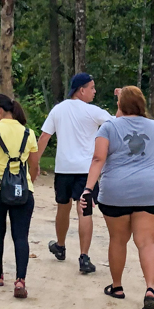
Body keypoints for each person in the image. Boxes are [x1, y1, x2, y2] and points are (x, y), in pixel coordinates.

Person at [79, 86, 154, 309]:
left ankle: (117, 287)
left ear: (120, 105)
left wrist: (88, 189)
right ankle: (150, 289)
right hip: (153, 190)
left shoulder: (109, 127)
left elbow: (98, 158)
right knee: (147, 242)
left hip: (116, 191)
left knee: (118, 239)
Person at [38, 72, 113, 275]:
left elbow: (45, 136)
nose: (94, 91)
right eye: (92, 88)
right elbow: (116, 125)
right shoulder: (93, 112)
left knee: (63, 207)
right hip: (86, 170)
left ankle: (61, 246)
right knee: (84, 211)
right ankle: (84, 256)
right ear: (82, 90)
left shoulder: (58, 109)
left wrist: (34, 161)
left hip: (64, 168)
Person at [0, 94, 40, 299]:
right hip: (23, 190)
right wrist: (28, 182)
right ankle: (20, 280)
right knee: (21, 236)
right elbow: (34, 165)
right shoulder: (28, 133)